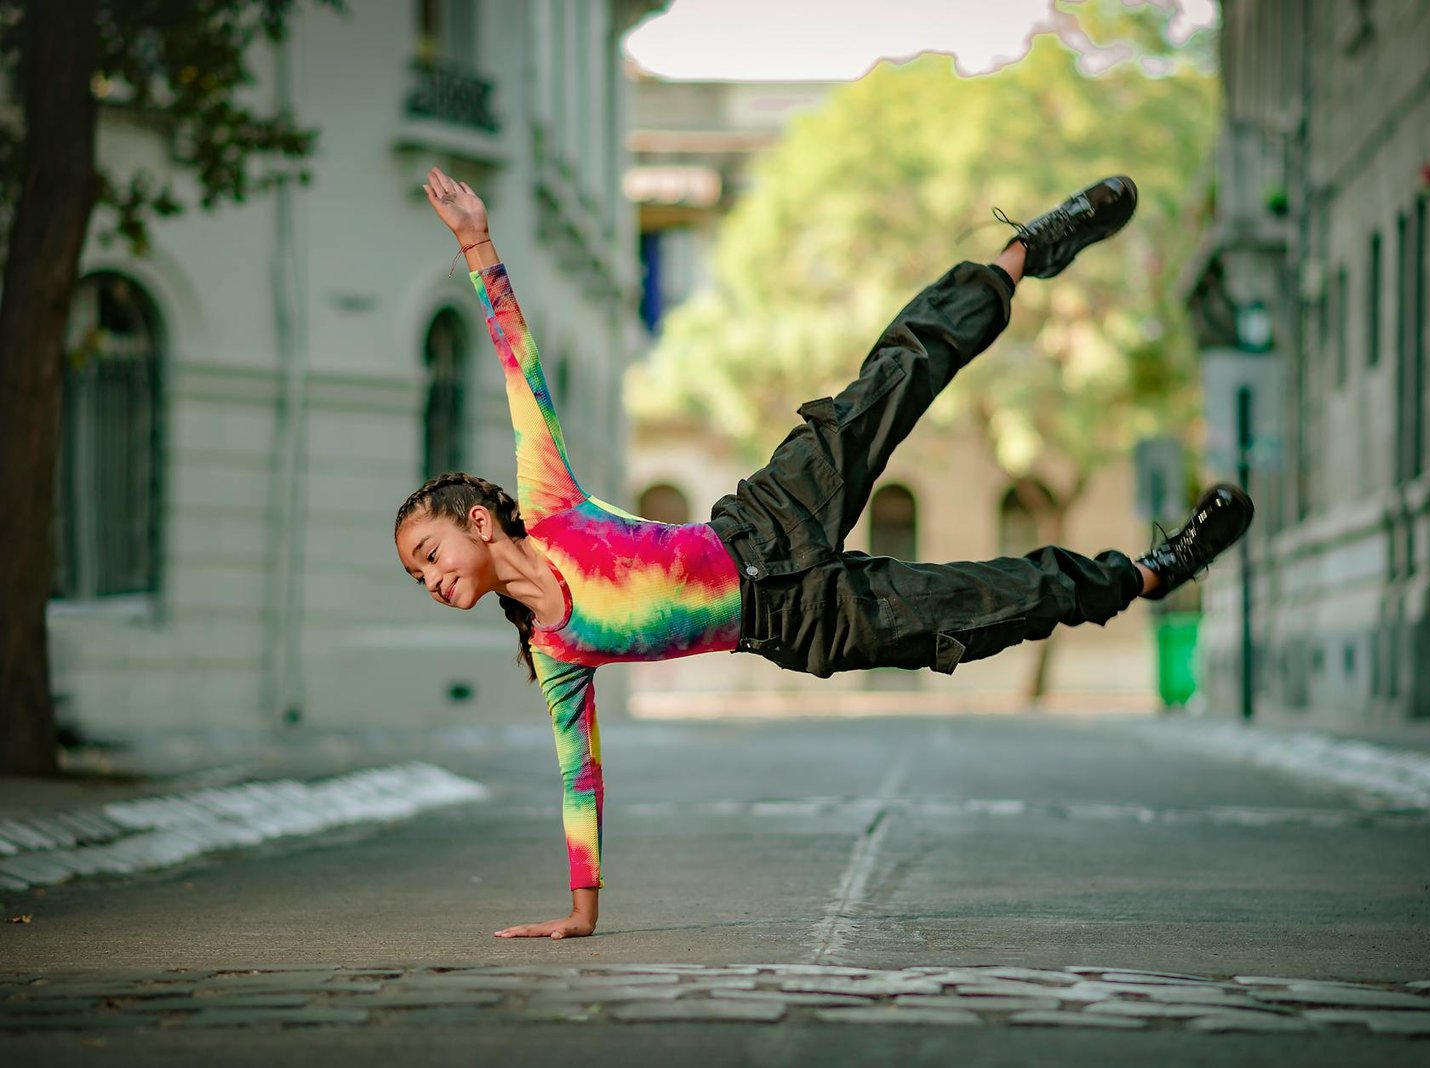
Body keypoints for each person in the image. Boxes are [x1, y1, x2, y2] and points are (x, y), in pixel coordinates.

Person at [396, 168, 1253, 940]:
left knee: (895, 377)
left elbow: (520, 368)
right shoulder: (554, 654)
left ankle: (1023, 251)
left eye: (428, 553)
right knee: (984, 607)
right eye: (418, 575)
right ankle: (1152, 572)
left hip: (767, 522)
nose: (430, 581)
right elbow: (578, 775)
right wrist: (581, 915)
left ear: (477, 521)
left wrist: (476, 241)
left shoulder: (546, 499)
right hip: (800, 622)